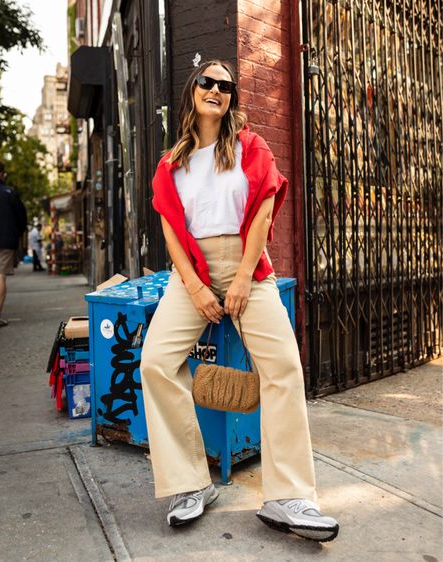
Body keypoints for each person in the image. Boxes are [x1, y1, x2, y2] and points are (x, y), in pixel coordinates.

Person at [140, 60, 339, 542]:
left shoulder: (250, 145)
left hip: (249, 262)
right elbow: (170, 228)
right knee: (155, 362)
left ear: (231, 98)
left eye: (226, 85)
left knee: (284, 367)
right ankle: (190, 484)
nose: (216, 89)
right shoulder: (172, 162)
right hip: (193, 272)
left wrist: (244, 277)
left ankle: (288, 496)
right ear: (193, 91)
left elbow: (266, 205)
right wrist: (193, 286)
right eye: (207, 81)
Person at [0, 158, 27, 327]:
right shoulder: (9, 193)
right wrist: (17, 234)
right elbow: (21, 218)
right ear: (1, 174)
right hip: (4, 241)